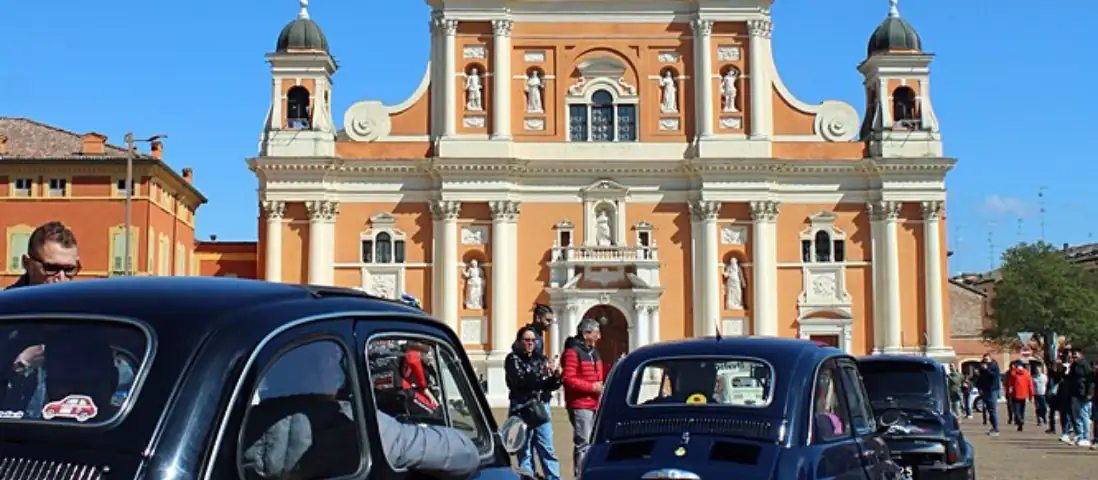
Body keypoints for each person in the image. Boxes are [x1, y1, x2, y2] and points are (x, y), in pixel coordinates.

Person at [243, 342, 480, 479]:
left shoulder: (236, 430)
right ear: (326, 370)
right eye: (335, 362)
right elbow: (464, 453)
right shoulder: (357, 424)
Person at [506, 327, 563, 480]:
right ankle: (528, 477)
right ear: (519, 341)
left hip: (540, 407)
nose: (530, 343)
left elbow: (549, 386)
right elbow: (519, 381)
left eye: (533, 340)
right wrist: (540, 375)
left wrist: (556, 377)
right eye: (527, 340)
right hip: (521, 408)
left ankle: (554, 478)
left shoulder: (541, 359)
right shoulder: (513, 359)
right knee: (524, 451)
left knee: (547, 448)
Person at [560, 318, 605, 478]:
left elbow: (598, 373)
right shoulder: (573, 352)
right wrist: (591, 387)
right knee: (583, 443)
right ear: (586, 333)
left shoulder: (594, 352)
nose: (599, 337)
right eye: (596, 333)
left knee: (592, 443)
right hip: (580, 404)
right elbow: (568, 378)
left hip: (594, 403)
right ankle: (581, 476)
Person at [5, 221, 80, 290]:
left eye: (69, 269)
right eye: (51, 268)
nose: (62, 279)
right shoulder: (6, 303)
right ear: (27, 263)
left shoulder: (82, 303)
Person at [1065, 349, 1093, 446]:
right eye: (1073, 356)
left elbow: (1090, 380)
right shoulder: (1073, 365)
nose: (1074, 358)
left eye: (1075, 356)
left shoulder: (1085, 365)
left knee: (1083, 414)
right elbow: (1068, 378)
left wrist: (1089, 392)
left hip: (1083, 393)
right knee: (1075, 415)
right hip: (1074, 393)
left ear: (1081, 355)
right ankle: (1079, 435)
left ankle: (1086, 437)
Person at [975, 353, 1002, 436]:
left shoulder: (994, 366)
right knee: (988, 409)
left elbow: (994, 376)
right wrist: (979, 387)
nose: (985, 361)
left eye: (987, 359)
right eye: (984, 359)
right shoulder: (981, 366)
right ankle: (992, 426)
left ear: (990, 359)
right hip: (985, 390)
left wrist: (987, 369)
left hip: (992, 389)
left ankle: (996, 428)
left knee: (992, 409)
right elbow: (980, 378)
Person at [1006, 360, 1034, 431]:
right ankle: (1021, 421)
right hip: (1024, 394)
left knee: (1016, 409)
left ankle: (1019, 420)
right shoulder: (1027, 373)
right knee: (1022, 409)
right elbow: (1030, 385)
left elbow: (1009, 384)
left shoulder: (1013, 373)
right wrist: (1031, 395)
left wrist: (1008, 391)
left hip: (1015, 394)